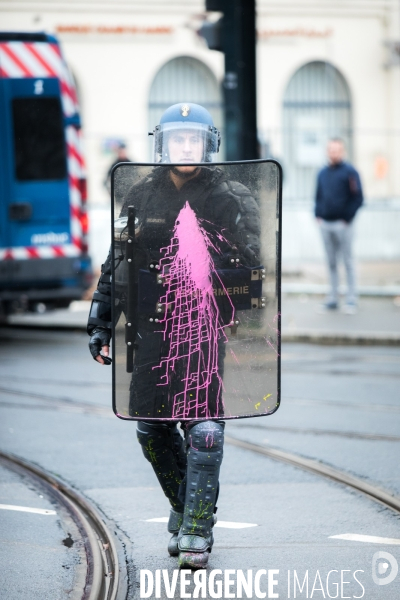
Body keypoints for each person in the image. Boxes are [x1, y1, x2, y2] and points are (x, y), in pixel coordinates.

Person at [87, 103, 261, 568]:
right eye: (177, 139)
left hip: (204, 328)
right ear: (162, 145)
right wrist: (101, 322)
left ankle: (198, 530)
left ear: (209, 145)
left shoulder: (233, 198)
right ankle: (185, 507)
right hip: (151, 328)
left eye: (194, 139)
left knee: (204, 431)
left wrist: (214, 274)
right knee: (151, 430)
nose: (186, 147)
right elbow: (116, 263)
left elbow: (253, 275)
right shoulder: (140, 196)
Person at [315, 138, 363, 313]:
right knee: (331, 262)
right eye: (331, 150)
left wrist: (346, 218)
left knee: (348, 261)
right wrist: (317, 215)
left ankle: (351, 299)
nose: (334, 153)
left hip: (344, 225)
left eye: (337, 150)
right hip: (325, 224)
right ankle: (333, 298)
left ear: (342, 151)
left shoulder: (350, 172)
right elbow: (318, 195)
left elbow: (358, 198)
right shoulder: (322, 173)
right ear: (327, 151)